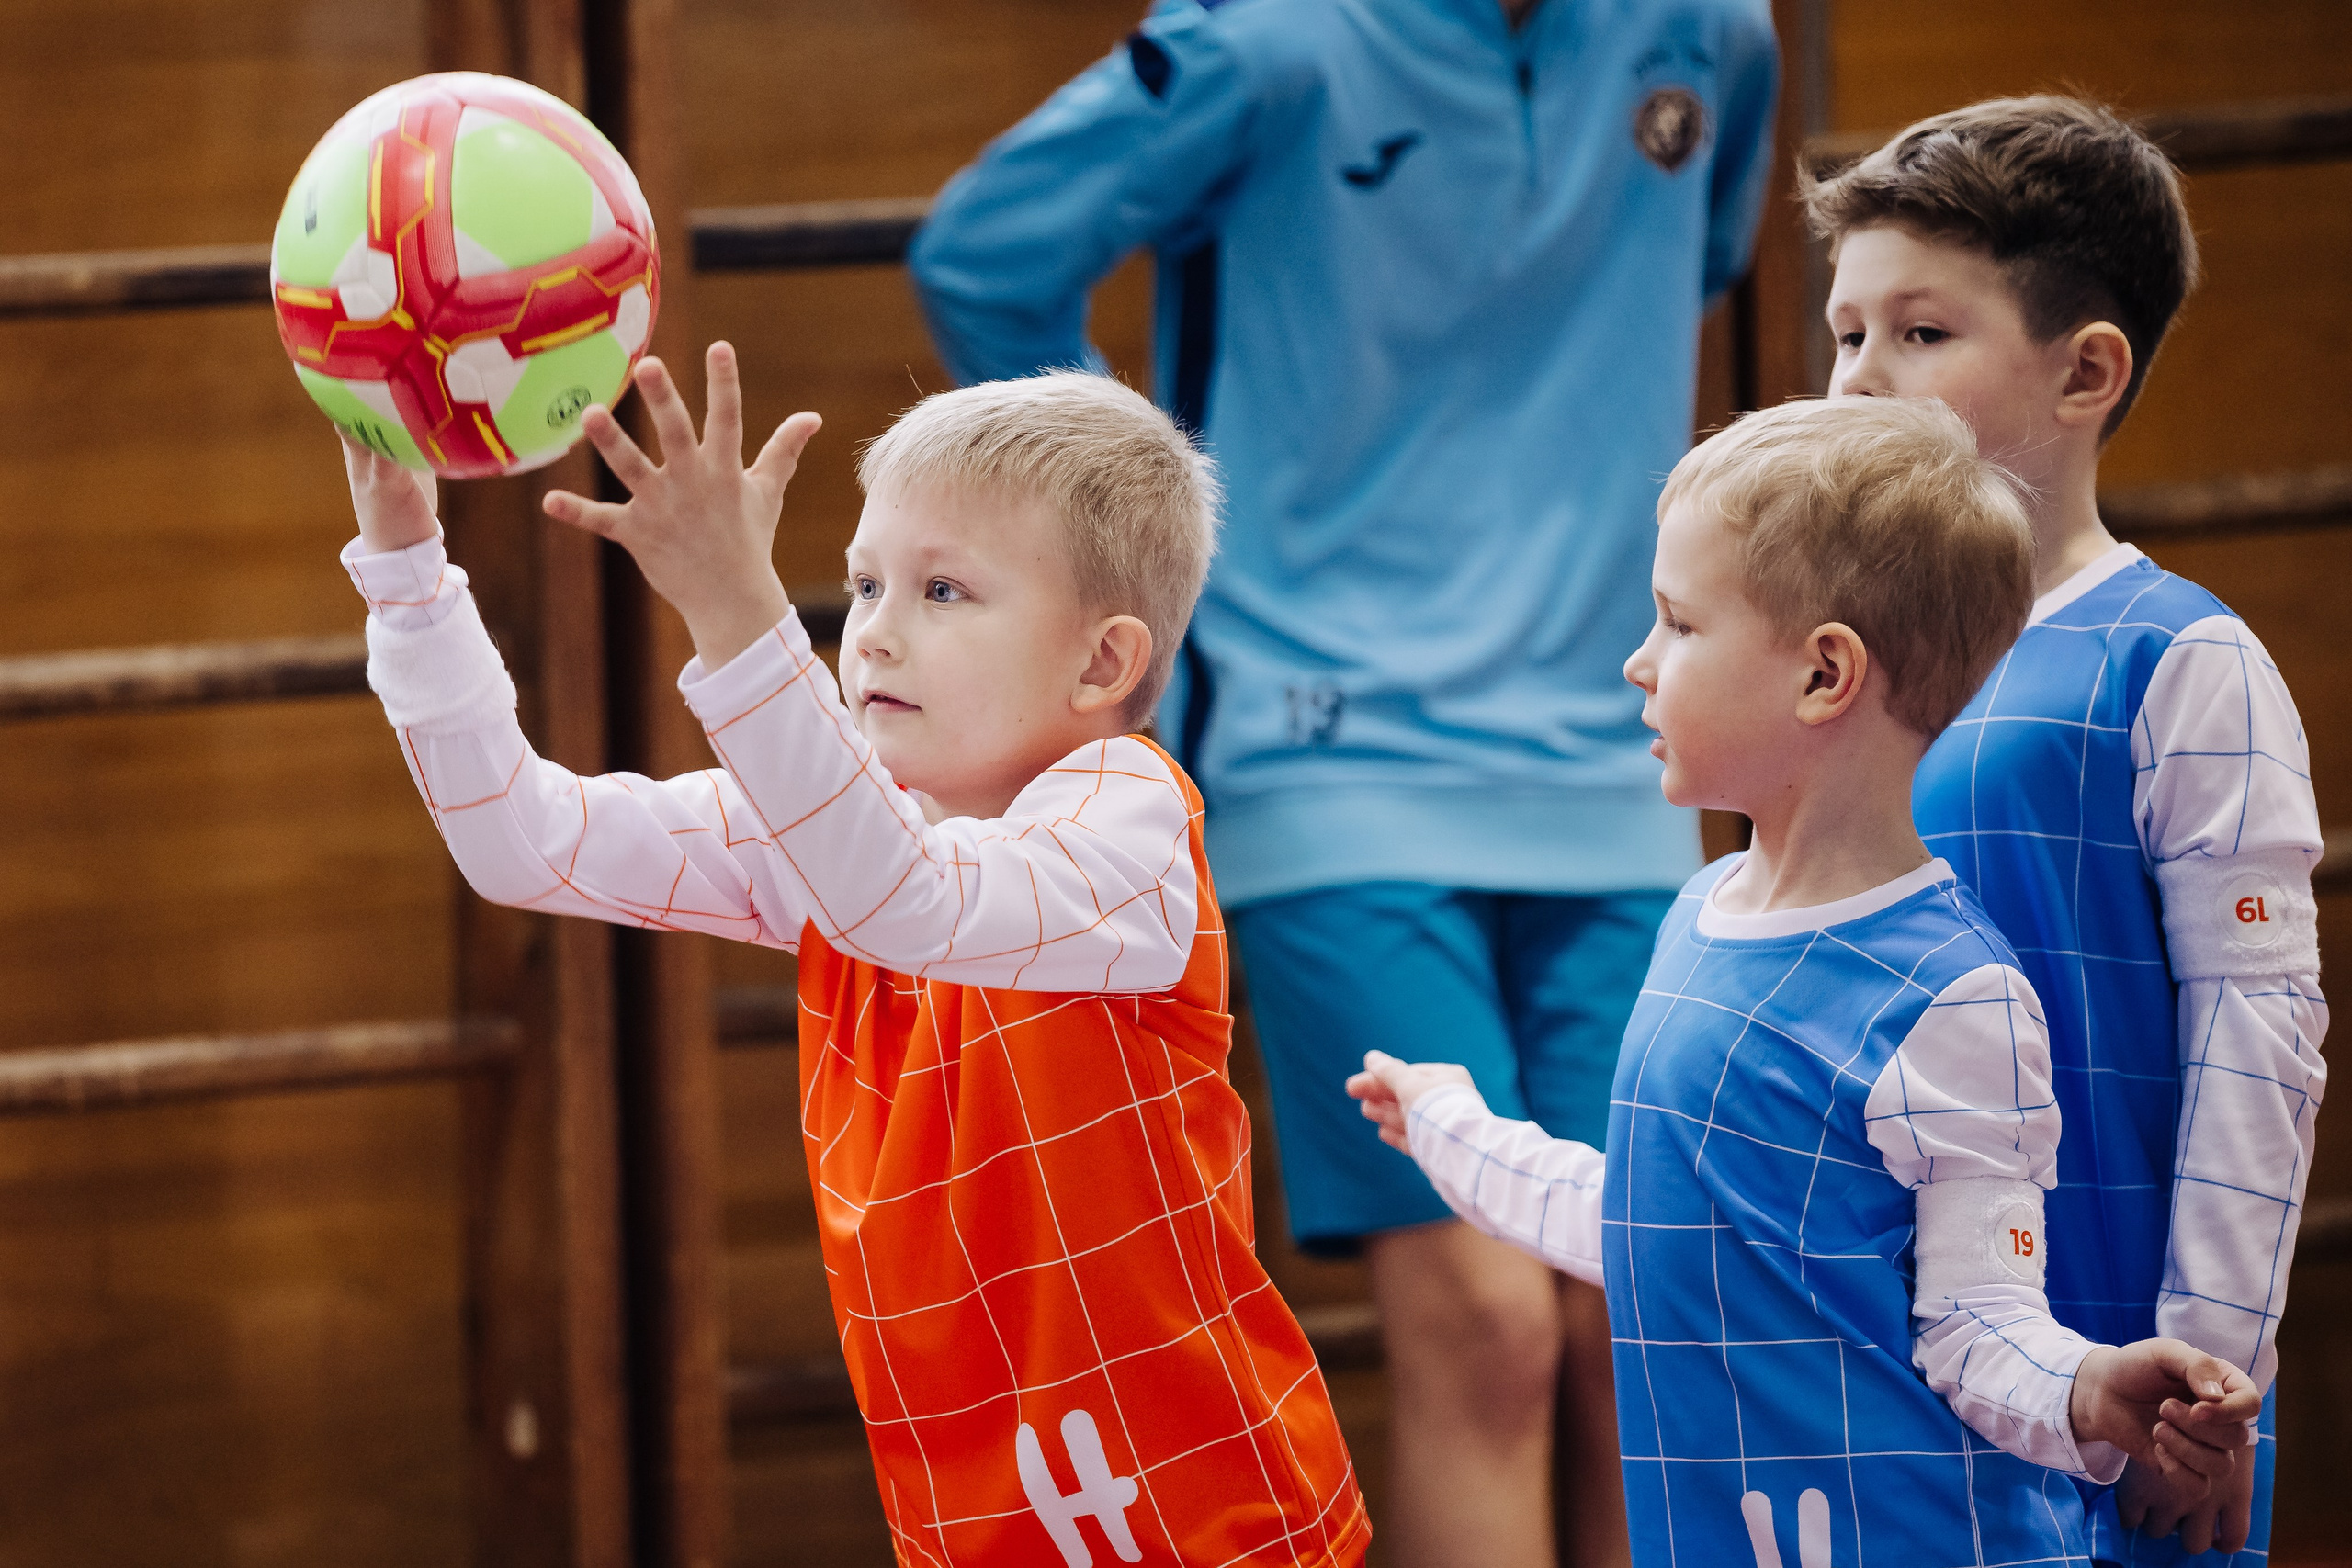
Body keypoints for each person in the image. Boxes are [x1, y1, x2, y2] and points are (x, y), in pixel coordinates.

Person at [907, 4, 1778, 1560]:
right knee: (1490, 1327)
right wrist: (1134, 553)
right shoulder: (1263, 44)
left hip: (1617, 757)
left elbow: (1687, 263)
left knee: (1644, 1337)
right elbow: (985, 251)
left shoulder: (1712, 30)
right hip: (1329, 756)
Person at [336, 352, 1371, 1567]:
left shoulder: (1125, 820)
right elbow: (522, 840)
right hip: (968, 1528)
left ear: (1104, 663)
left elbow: (904, 900)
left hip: (1209, 1519)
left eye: (944, 591)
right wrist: (409, 575)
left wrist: (736, 610)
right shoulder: (851, 826)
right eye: (864, 583)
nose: (874, 632)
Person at [1347, 395, 2267, 1566]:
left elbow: (1980, 1327)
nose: (1637, 661)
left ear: (1825, 674)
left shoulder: (1956, 1000)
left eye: (1678, 625)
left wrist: (2088, 1390)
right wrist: (1450, 1127)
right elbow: (1649, 1221)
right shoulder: (1697, 918)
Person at [1808, 96, 2327, 1563]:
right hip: (1899, 1367)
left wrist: (2210, 1373)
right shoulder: (1844, 666)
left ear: (2086, 368)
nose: (1856, 380)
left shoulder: (2179, 660)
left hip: (2124, 1369)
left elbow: (2259, 1033)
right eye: (1846, 333)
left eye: (1919, 334)